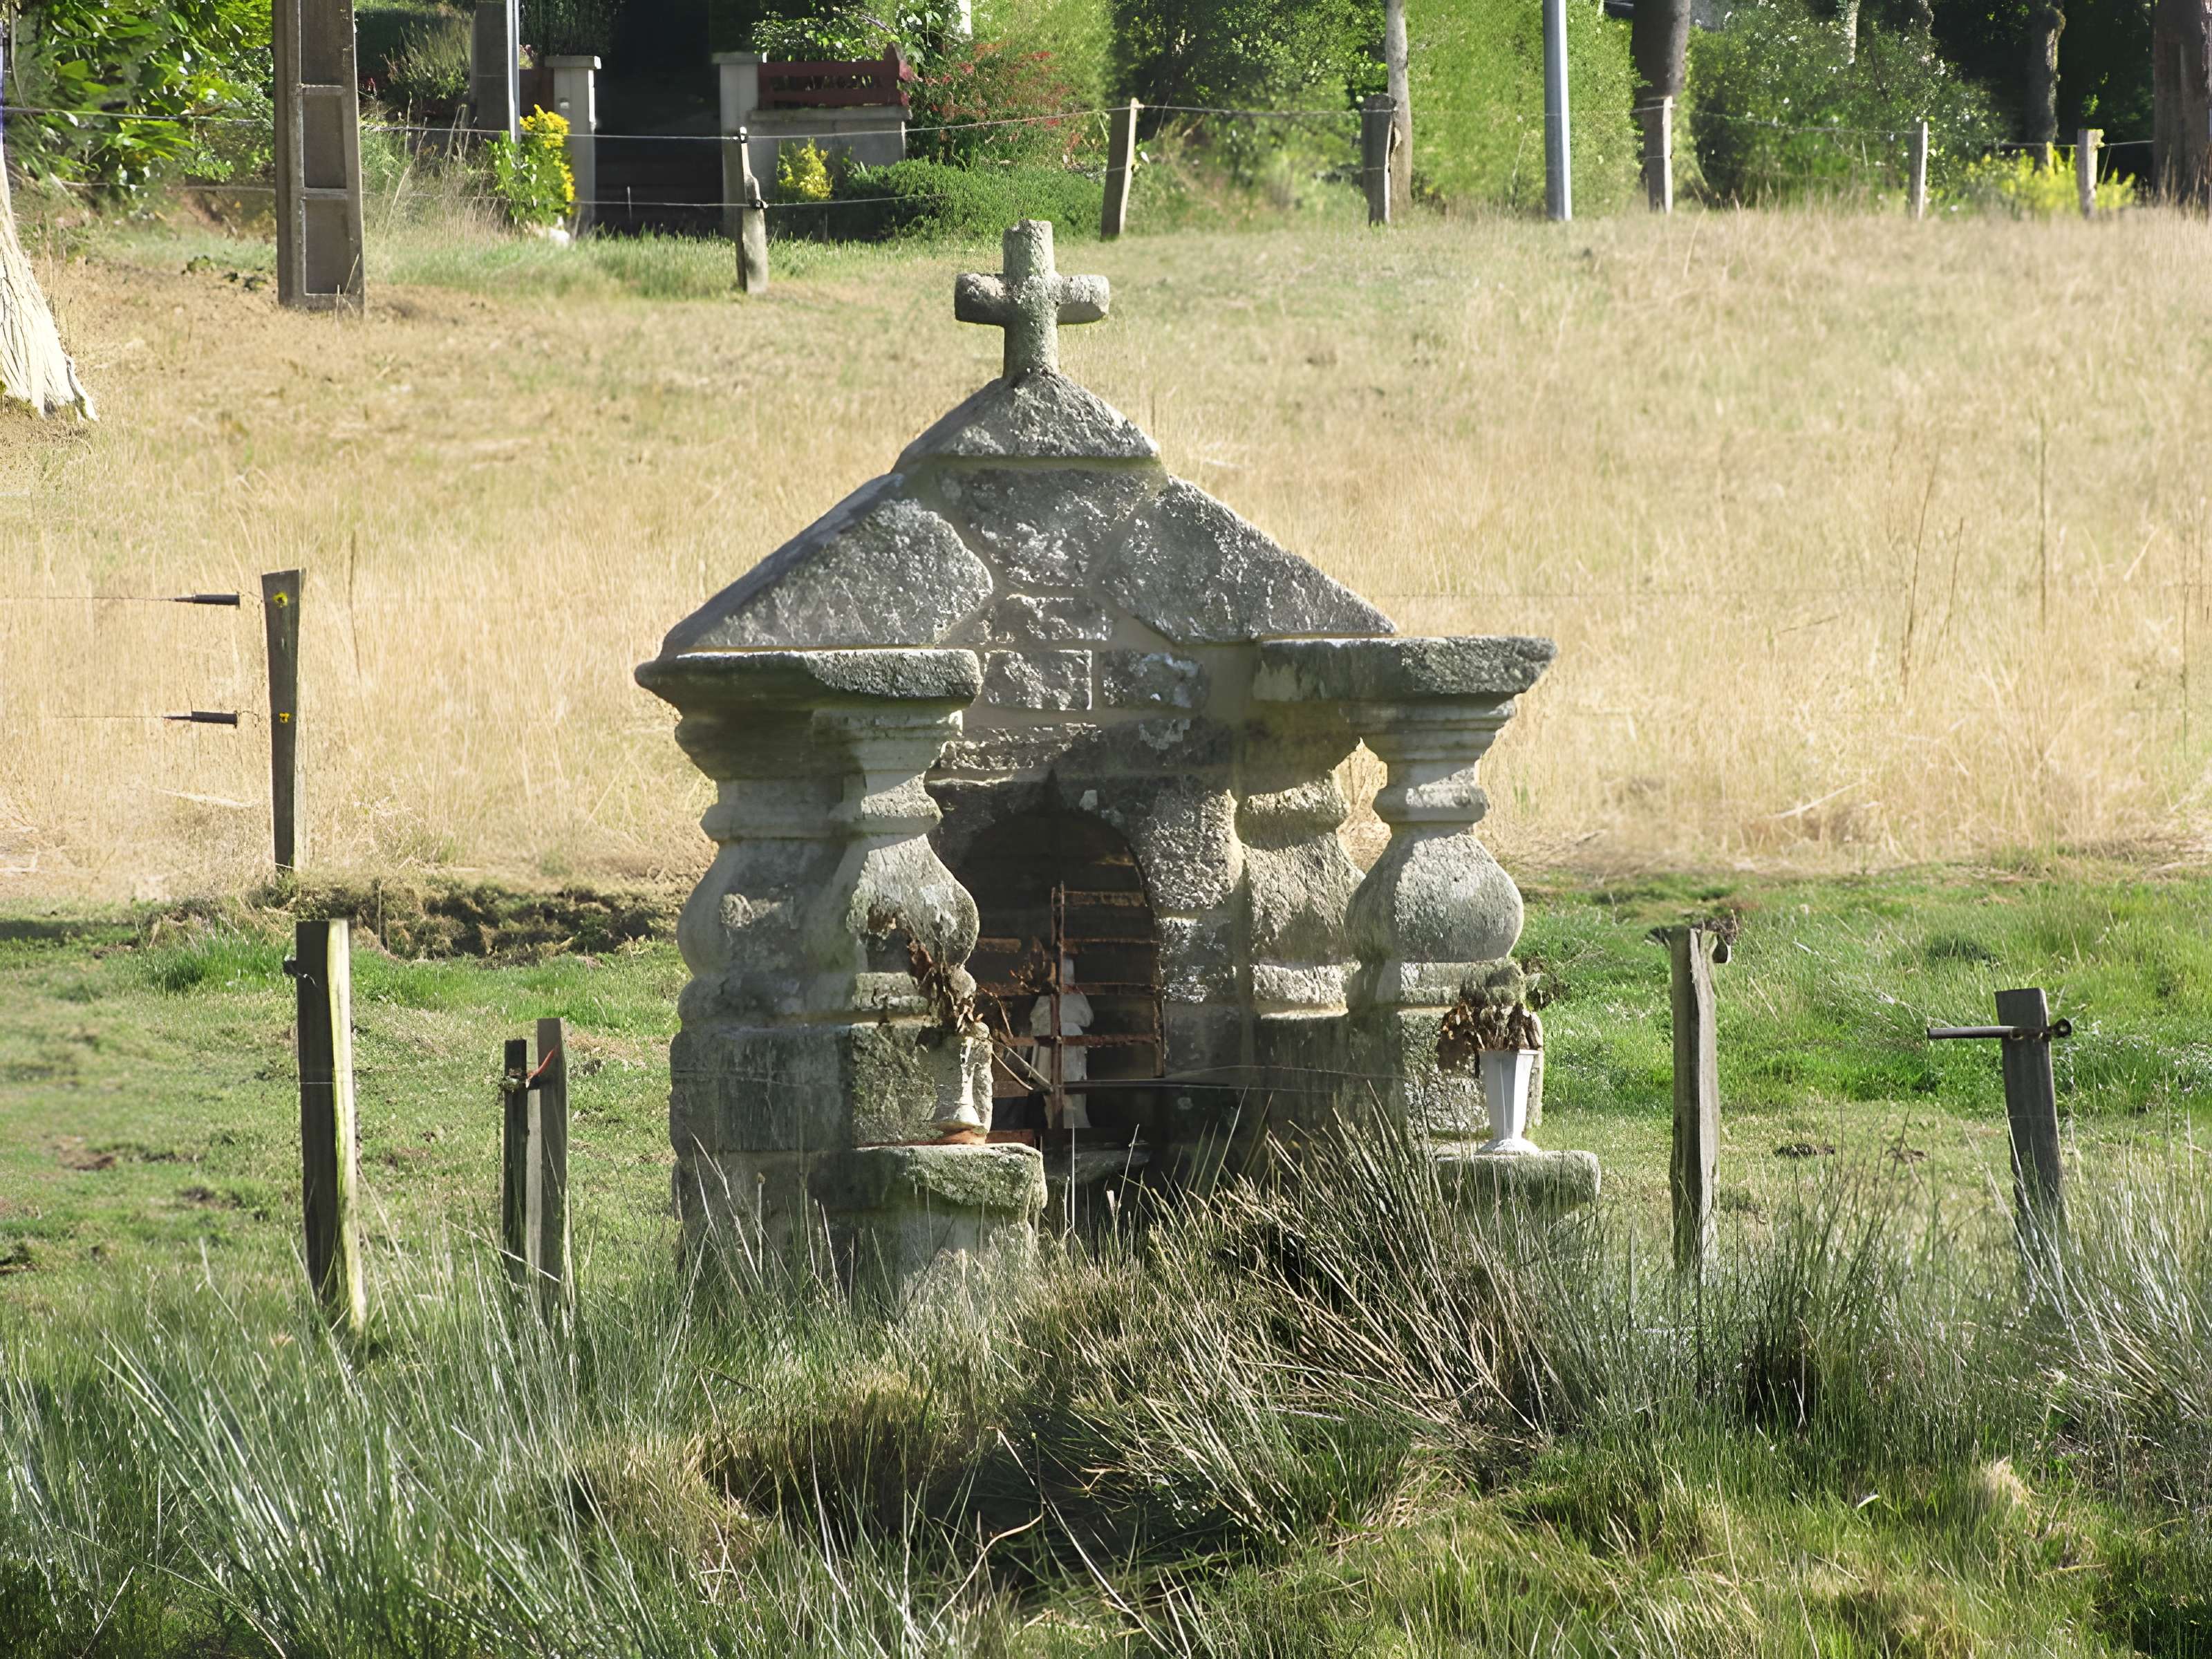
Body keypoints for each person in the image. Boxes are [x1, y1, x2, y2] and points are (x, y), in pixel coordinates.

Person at [1025, 953, 1094, 1130]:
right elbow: (1037, 1020)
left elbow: (1087, 1018)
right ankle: (1058, 1128)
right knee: (1054, 1092)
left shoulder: (1074, 994)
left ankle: (1074, 1130)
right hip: (1053, 1046)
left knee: (1072, 1093)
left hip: (1070, 1049)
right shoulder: (1050, 994)